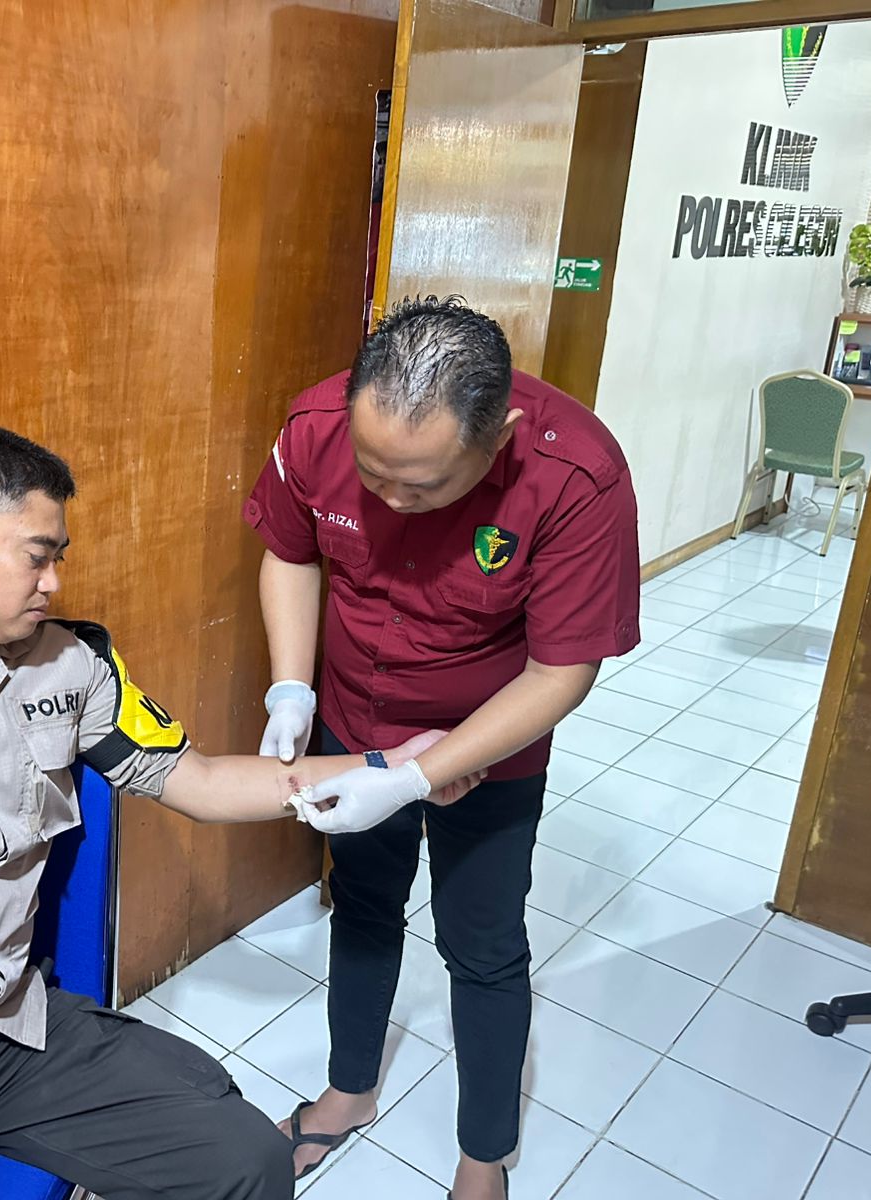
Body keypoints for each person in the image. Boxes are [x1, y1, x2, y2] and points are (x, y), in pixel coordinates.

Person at [0, 425, 481, 1200]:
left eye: (59, 557)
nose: (53, 582)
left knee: (248, 1161)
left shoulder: (71, 667)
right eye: (37, 556)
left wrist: (398, 769)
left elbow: (201, 780)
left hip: (10, 1029)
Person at [246, 298, 640, 1199]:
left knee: (484, 943)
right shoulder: (315, 427)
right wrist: (291, 688)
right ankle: (348, 1092)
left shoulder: (577, 474)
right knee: (363, 905)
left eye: (421, 486)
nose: (391, 500)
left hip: (494, 741)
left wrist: (427, 772)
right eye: (373, 474)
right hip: (355, 718)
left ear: (498, 438)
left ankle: (483, 1155)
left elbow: (562, 672)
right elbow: (291, 553)